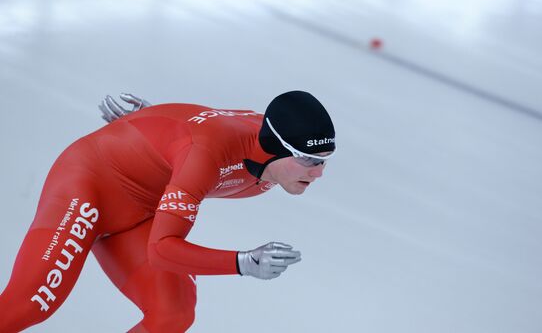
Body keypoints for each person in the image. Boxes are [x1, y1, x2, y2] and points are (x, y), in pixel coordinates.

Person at [0, 90, 336, 332]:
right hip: (89, 187)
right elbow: (162, 251)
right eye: (308, 160)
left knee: (172, 315)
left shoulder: (264, 152)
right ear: (276, 149)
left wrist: (151, 128)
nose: (318, 173)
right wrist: (243, 262)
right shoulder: (206, 156)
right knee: (29, 305)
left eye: (322, 161)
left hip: (141, 211)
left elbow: (196, 124)